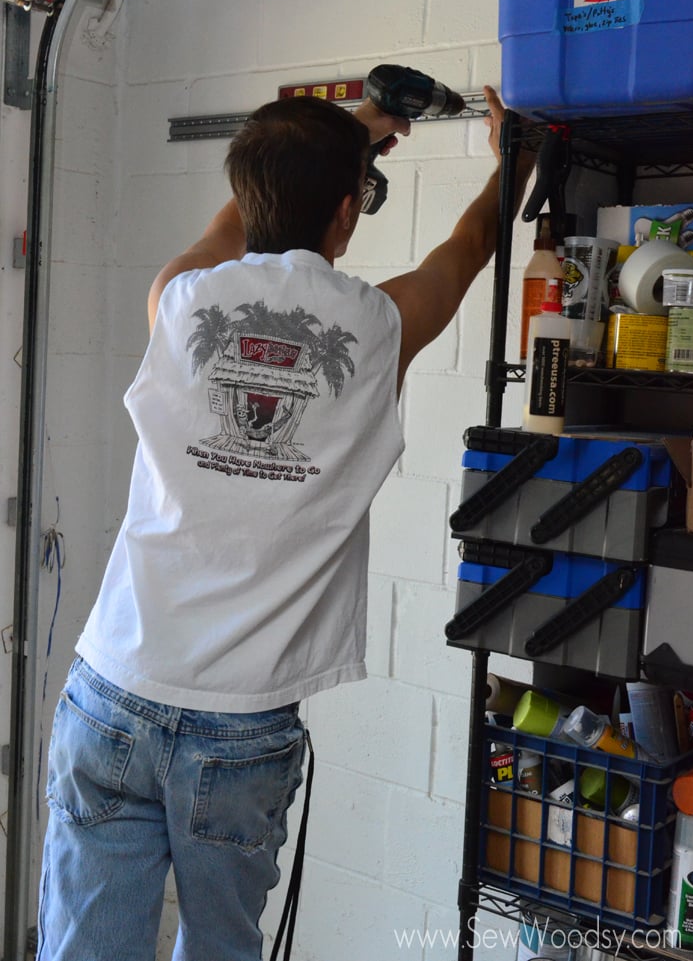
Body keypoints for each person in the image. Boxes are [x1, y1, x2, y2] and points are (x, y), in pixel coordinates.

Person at [37, 84, 533, 961]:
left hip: (114, 690)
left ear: (247, 186)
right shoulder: (380, 328)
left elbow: (234, 233)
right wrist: (512, 162)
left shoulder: (179, 300)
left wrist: (355, 131)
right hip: (242, 727)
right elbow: (469, 247)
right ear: (348, 214)